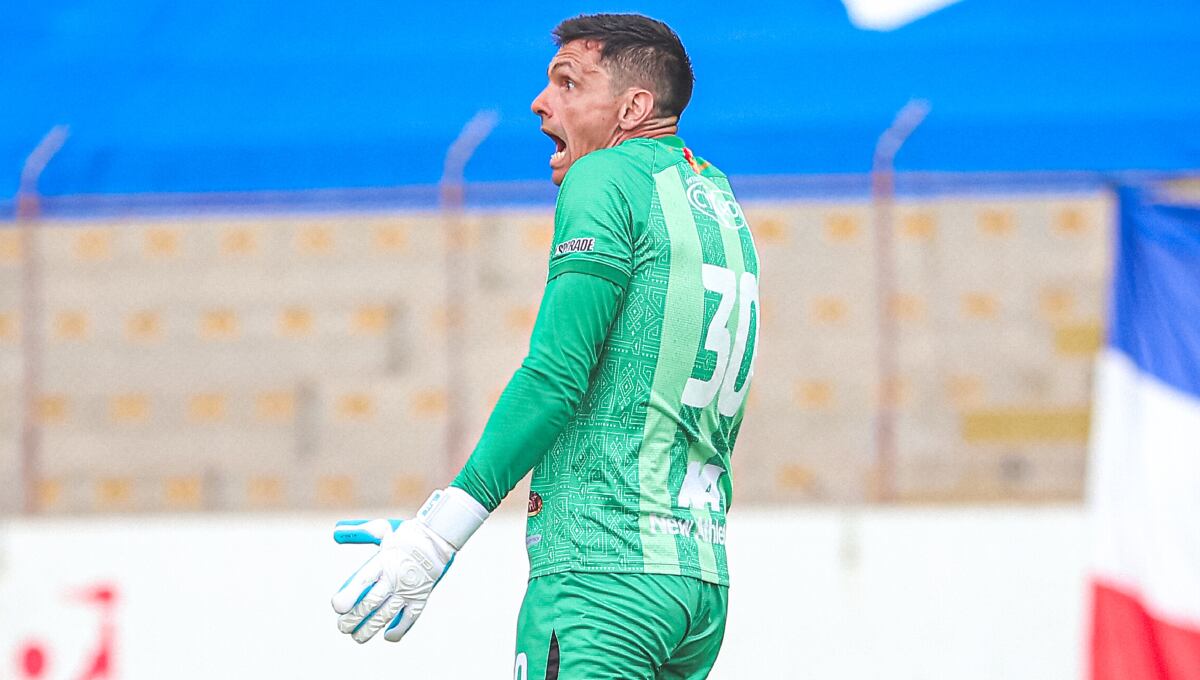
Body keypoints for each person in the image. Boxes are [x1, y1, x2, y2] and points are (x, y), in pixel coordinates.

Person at [330, 13, 760, 679]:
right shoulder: (716, 196)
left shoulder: (607, 177)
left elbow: (556, 375)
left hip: (602, 576)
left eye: (567, 82)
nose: (541, 102)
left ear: (633, 107)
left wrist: (438, 533)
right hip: (697, 583)